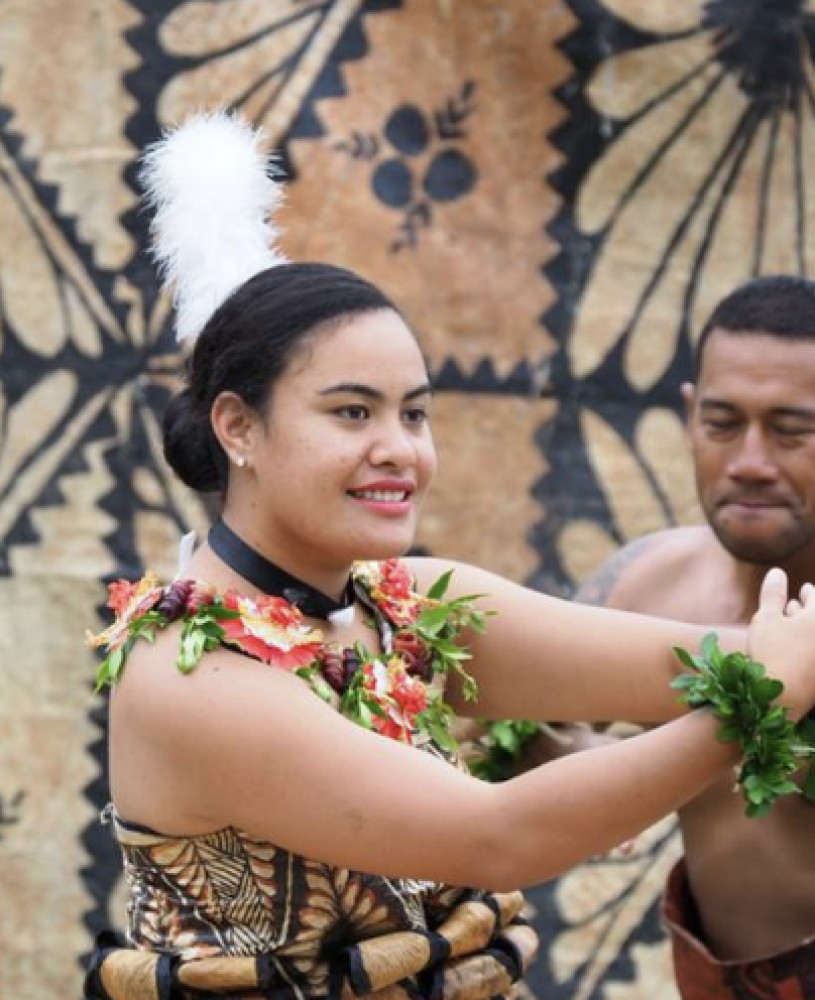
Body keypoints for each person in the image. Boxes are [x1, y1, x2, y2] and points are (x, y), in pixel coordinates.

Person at [81, 115, 815, 1000]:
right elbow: (495, 837)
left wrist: (763, 666)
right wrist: (752, 705)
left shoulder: (412, 603)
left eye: (414, 413)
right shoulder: (187, 673)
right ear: (238, 425)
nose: (399, 449)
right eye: (352, 413)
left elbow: (688, 663)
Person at [565, 275, 815, 999]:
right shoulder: (642, 585)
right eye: (721, 422)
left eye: (792, 429)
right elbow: (513, 737)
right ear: (686, 416)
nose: (749, 461)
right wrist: (594, 764)